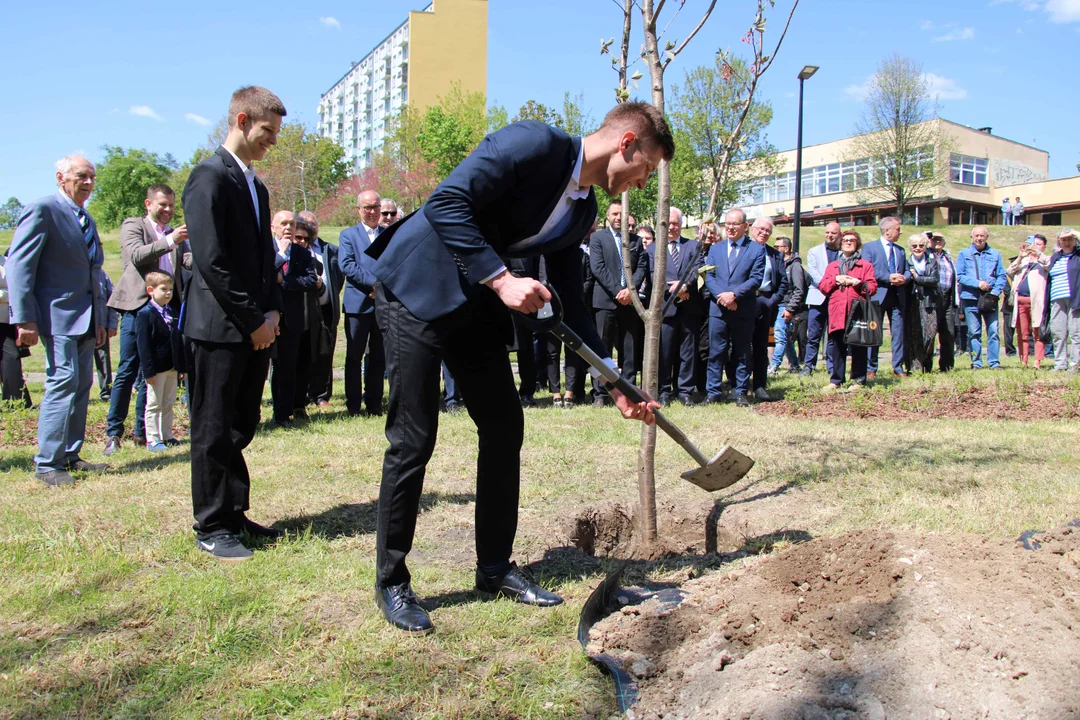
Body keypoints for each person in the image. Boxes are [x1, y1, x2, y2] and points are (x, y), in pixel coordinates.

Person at [365, 102, 668, 635]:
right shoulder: (534, 142)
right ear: (626, 144)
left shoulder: (581, 210)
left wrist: (612, 380)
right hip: (415, 286)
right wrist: (503, 280)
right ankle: (392, 580)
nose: (643, 183)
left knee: (505, 426)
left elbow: (573, 300)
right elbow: (447, 202)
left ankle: (495, 568)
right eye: (647, 168)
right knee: (414, 438)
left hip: (475, 303)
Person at [182, 86, 286, 562]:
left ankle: (234, 512)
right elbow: (211, 259)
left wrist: (274, 310)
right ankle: (211, 524)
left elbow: (265, 258)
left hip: (254, 328)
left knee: (241, 424)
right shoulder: (208, 177)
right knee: (213, 426)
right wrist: (252, 319)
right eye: (268, 131)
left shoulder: (255, 186)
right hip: (219, 328)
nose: (273, 141)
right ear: (242, 120)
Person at [6, 154, 109, 486]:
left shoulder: (86, 219)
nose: (89, 183)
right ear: (60, 177)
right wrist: (24, 318)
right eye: (82, 176)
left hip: (87, 318)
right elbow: (20, 266)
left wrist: (102, 318)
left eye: (92, 177)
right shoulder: (43, 210)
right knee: (62, 383)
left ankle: (70, 455)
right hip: (55, 317)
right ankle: (48, 463)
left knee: (82, 385)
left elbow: (95, 273)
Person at [104, 184, 190, 456]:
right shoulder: (134, 225)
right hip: (137, 307)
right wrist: (170, 240)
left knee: (154, 372)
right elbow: (136, 255)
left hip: (166, 310)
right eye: (162, 204)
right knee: (128, 369)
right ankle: (114, 433)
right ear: (148, 203)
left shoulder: (176, 234)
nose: (167, 210)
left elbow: (188, 260)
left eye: (171, 206)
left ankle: (145, 433)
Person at [703, 209, 765, 407]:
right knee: (716, 352)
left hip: (743, 308)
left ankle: (740, 391)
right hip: (718, 309)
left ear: (745, 226)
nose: (730, 227)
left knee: (742, 352)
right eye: (727, 223)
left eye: (735, 224)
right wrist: (723, 296)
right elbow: (709, 277)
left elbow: (756, 278)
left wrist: (734, 295)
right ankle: (713, 392)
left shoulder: (756, 250)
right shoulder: (715, 249)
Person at [589, 198, 647, 406]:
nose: (618, 217)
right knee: (601, 348)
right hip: (605, 301)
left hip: (630, 303)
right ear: (608, 216)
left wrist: (630, 292)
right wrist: (618, 291)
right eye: (614, 214)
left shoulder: (636, 241)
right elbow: (598, 268)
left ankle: (630, 390)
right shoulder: (598, 239)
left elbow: (641, 267)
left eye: (621, 214)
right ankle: (600, 394)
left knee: (629, 348)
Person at [647, 207, 703, 406]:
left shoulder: (693, 246)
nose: (672, 227)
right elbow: (653, 275)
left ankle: (685, 391)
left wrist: (685, 285)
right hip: (665, 309)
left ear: (681, 224)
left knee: (687, 352)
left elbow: (697, 270)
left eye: (675, 223)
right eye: (668, 223)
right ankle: (664, 391)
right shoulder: (653, 249)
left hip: (689, 307)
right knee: (665, 352)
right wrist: (676, 288)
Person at [338, 190, 385, 417]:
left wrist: (383, 287)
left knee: (378, 356)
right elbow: (347, 264)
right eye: (367, 207)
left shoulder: (389, 233)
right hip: (358, 303)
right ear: (358, 210)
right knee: (354, 356)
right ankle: (354, 404)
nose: (372, 211)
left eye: (376, 206)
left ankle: (375, 403)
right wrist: (373, 284)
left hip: (383, 303)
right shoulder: (349, 235)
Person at [270, 212, 320, 427]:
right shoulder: (265, 250)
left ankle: (283, 414)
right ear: (273, 227)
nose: (288, 228)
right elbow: (262, 276)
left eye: (292, 223)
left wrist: (284, 280)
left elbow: (311, 280)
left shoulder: (302, 252)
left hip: (292, 318)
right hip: (265, 317)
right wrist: (280, 255)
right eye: (284, 224)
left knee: (287, 368)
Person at [817, 230, 878, 391]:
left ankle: (858, 380)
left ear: (857, 244)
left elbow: (872, 288)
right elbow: (822, 287)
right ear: (840, 244)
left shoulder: (865, 265)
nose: (848, 242)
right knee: (836, 345)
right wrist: (835, 279)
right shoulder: (833, 266)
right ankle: (836, 379)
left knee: (858, 344)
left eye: (852, 240)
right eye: (845, 240)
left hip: (857, 310)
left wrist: (857, 282)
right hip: (837, 310)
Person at [298, 211, 343, 407]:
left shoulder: (330, 249)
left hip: (325, 308)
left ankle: (321, 395)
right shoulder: (294, 248)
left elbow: (338, 277)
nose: (309, 227)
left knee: (324, 353)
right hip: (300, 310)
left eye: (313, 224)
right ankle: (299, 395)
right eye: (304, 224)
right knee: (301, 353)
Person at [135, 271, 184, 451]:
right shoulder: (145, 314)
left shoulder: (172, 312)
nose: (168, 293)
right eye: (163, 289)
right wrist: (148, 371)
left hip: (171, 366)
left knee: (168, 401)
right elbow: (143, 345)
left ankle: (167, 434)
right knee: (154, 403)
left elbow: (177, 341)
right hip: (156, 368)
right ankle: (153, 438)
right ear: (150, 290)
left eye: (170, 289)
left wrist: (181, 366)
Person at [862, 216, 909, 378]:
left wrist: (905, 278)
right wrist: (888, 277)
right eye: (898, 229)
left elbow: (907, 270)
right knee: (874, 332)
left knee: (898, 333)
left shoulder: (900, 250)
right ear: (887, 230)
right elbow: (867, 270)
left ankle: (898, 367)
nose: (900, 232)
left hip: (897, 296)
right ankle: (870, 368)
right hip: (877, 295)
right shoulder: (869, 248)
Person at [955, 226, 1007, 370]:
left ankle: (994, 362)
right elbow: (959, 276)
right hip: (970, 299)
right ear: (971, 237)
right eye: (976, 236)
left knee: (993, 331)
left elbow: (1001, 275)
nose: (979, 238)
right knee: (974, 333)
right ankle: (976, 362)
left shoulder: (995, 254)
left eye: (982, 236)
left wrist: (995, 292)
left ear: (986, 237)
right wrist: (977, 283)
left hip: (989, 299)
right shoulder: (964, 254)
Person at [801, 221, 841, 376]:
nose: (830, 236)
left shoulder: (843, 253)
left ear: (839, 234)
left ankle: (832, 366)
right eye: (827, 233)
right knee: (813, 335)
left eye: (833, 233)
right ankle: (809, 366)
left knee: (833, 336)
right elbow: (813, 273)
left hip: (836, 299)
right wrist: (829, 285)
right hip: (818, 297)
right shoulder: (814, 251)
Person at [1007, 236, 1049, 369]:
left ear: (1044, 247)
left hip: (1037, 302)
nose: (1035, 246)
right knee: (1023, 333)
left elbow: (1050, 265)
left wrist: (1039, 254)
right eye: (1033, 244)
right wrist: (1020, 257)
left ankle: (1037, 360)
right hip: (1021, 301)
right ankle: (1023, 361)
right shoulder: (1024, 261)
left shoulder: (1044, 261)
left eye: (1038, 244)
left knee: (1037, 331)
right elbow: (1009, 271)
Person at [769, 236, 808, 374]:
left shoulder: (795, 266)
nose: (774, 249)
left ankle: (773, 366)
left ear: (786, 248)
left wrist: (790, 308)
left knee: (779, 335)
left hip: (785, 306)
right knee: (784, 336)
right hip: (776, 303)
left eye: (777, 246)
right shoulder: (778, 263)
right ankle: (795, 365)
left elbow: (799, 289)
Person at [904, 233, 941, 373]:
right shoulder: (907, 262)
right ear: (910, 247)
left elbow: (935, 279)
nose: (918, 248)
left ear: (926, 247)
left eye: (921, 245)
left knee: (930, 335)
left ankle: (927, 363)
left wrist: (918, 278)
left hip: (929, 302)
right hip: (912, 302)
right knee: (914, 335)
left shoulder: (932, 262)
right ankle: (914, 366)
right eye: (914, 246)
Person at [1045, 228, 1080, 372]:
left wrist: (1075, 232)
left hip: (1075, 299)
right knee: (1058, 332)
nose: (1066, 242)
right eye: (1063, 239)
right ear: (1059, 241)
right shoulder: (1055, 257)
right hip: (1056, 299)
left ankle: (1075, 365)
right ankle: (1060, 364)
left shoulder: (1078, 255)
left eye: (1069, 239)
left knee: (1076, 332)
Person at [0, 251, 32, 407]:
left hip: (5, 322)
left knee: (11, 357)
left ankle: (15, 402)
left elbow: (18, 289)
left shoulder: (7, 262)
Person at [930, 232, 959, 371]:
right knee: (930, 333)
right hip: (933, 298)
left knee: (948, 333)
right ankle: (926, 366)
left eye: (940, 239)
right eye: (934, 239)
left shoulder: (948, 257)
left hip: (948, 298)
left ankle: (946, 366)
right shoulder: (927, 255)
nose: (937, 242)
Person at [94, 270, 119, 400]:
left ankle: (107, 392)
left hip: (101, 325)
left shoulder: (102, 274)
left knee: (103, 359)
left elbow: (113, 299)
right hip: (79, 328)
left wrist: (112, 323)